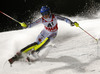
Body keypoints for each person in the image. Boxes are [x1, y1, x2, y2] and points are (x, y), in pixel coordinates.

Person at [8, 6, 79, 64]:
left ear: (49, 12)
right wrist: (25, 26)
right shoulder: (41, 19)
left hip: (53, 34)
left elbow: (64, 19)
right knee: (36, 43)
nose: (45, 15)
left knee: (45, 42)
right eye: (43, 14)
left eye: (46, 13)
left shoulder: (54, 17)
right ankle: (21, 53)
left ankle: (32, 53)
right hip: (44, 32)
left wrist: (71, 23)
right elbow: (32, 25)